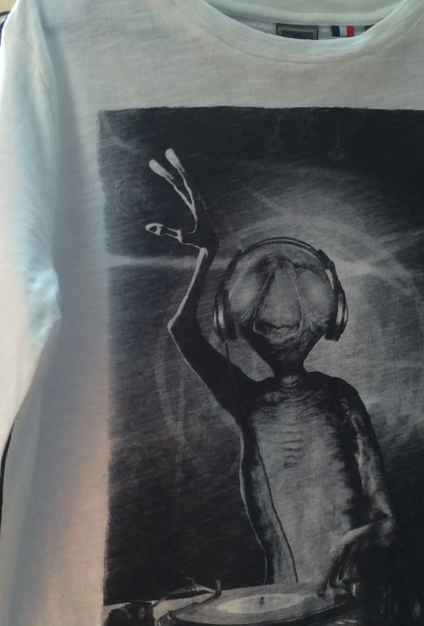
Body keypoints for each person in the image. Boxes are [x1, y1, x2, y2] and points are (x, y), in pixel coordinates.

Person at [147, 149, 394, 594]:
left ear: (333, 313)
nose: (281, 314)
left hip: (350, 601)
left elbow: (387, 523)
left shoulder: (339, 397)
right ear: (231, 318)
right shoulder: (248, 401)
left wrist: (355, 540)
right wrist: (207, 252)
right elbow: (181, 330)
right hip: (278, 603)